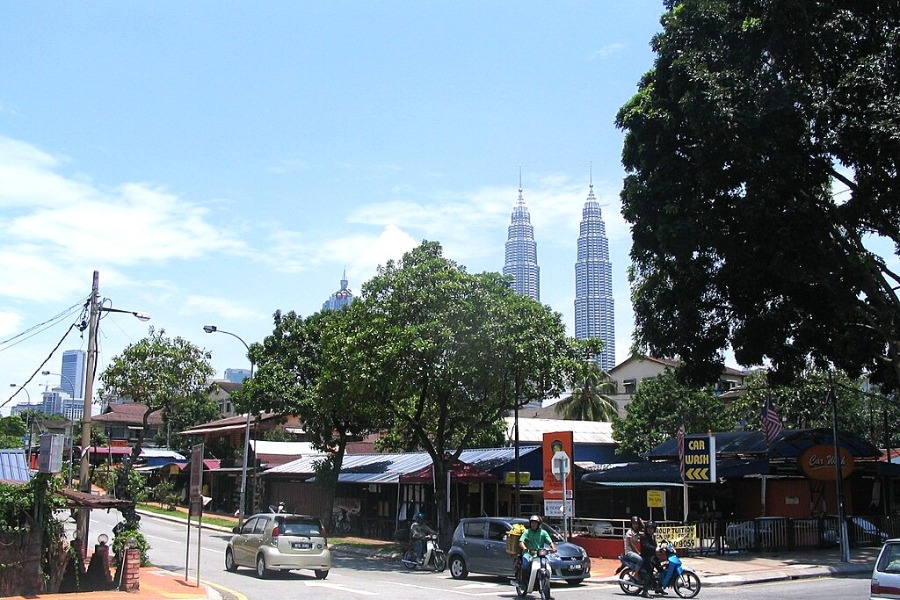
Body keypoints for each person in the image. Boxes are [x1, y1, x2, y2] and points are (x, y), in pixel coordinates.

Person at [518, 515, 557, 593]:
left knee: (547, 564)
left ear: (539, 524)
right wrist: (525, 548)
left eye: (535, 523)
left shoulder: (543, 532)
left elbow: (550, 542)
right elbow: (521, 542)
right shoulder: (527, 532)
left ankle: (543, 585)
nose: (533, 524)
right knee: (525, 565)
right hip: (528, 553)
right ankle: (523, 582)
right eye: (532, 523)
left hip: (539, 554)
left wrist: (553, 548)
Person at [638, 520, 665, 597]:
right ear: (646, 529)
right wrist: (656, 548)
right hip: (645, 557)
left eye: (652, 528)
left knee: (661, 569)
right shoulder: (644, 537)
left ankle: (658, 588)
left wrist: (661, 548)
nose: (650, 529)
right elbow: (646, 546)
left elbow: (655, 546)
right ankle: (645, 592)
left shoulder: (652, 537)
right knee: (649, 572)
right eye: (649, 528)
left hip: (652, 557)